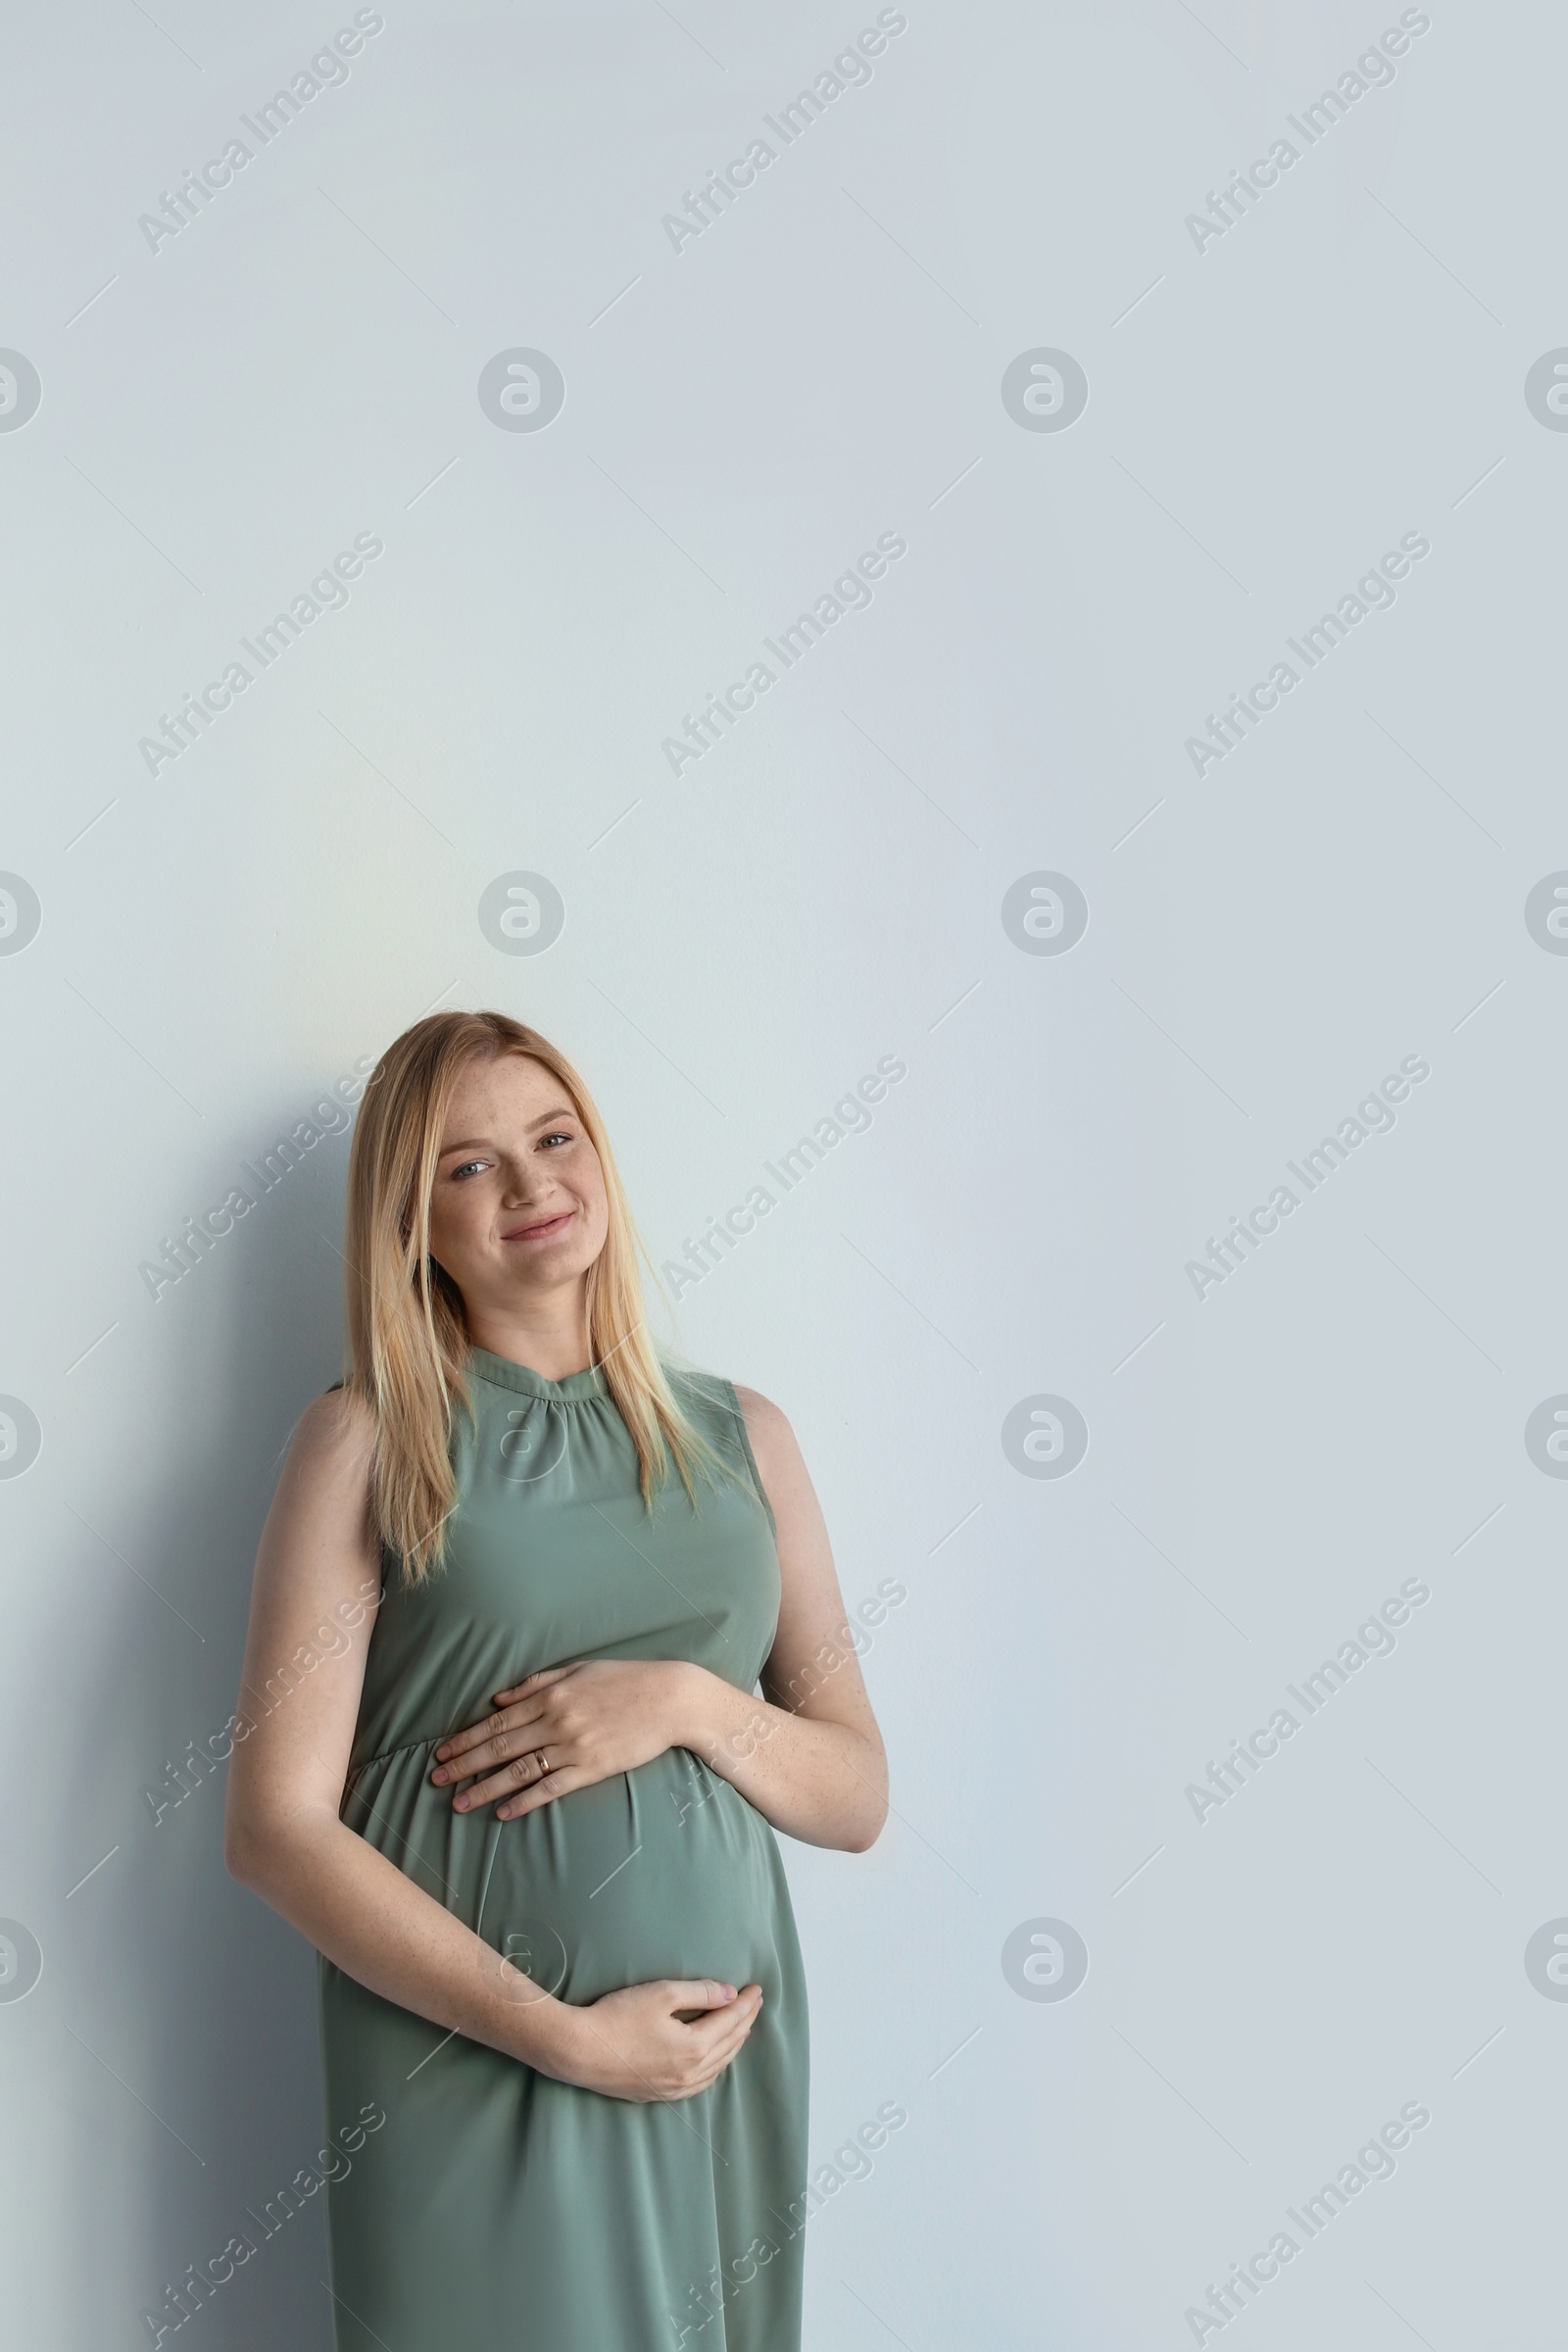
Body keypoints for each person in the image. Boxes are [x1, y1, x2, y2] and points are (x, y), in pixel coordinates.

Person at [224, 1008, 889, 2351]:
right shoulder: (363, 1440)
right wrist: (562, 2036)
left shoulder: (745, 1436)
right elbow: (273, 1831)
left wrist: (690, 1705)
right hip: (470, 2058)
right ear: (411, 1225)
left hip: (711, 2059)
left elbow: (855, 1794)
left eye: (553, 1137)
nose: (531, 1186)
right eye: (469, 1168)